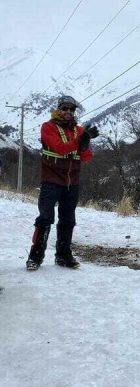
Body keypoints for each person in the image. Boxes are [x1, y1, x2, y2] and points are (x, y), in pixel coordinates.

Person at [25, 95, 99, 271]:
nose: (68, 112)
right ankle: (35, 257)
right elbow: (59, 148)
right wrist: (80, 141)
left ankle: (63, 256)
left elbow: (87, 157)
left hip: (72, 182)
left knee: (68, 219)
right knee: (45, 218)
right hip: (51, 180)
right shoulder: (48, 127)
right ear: (58, 109)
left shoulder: (79, 131)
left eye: (72, 109)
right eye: (65, 108)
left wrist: (84, 144)